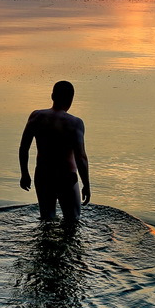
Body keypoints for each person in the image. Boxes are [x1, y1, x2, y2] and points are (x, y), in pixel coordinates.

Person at [19, 80, 91, 223]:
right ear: (71, 99)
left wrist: (25, 174)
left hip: (43, 174)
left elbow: (24, 147)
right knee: (73, 220)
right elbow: (81, 157)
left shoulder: (36, 116)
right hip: (66, 176)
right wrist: (86, 185)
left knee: (47, 219)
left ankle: (45, 244)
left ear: (52, 96)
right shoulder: (75, 123)